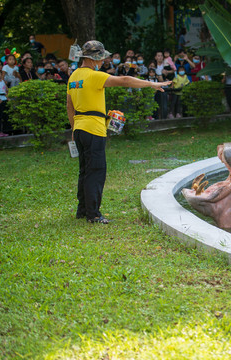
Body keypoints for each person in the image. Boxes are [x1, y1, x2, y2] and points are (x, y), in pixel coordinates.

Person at [67, 40, 171, 224]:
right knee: (96, 171)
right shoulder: (94, 75)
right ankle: (93, 214)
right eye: (101, 58)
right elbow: (124, 80)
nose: (102, 61)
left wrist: (74, 127)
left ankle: (82, 210)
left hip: (80, 128)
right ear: (94, 58)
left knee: (84, 170)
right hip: (94, 130)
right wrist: (151, 84)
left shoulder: (74, 76)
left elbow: (70, 105)